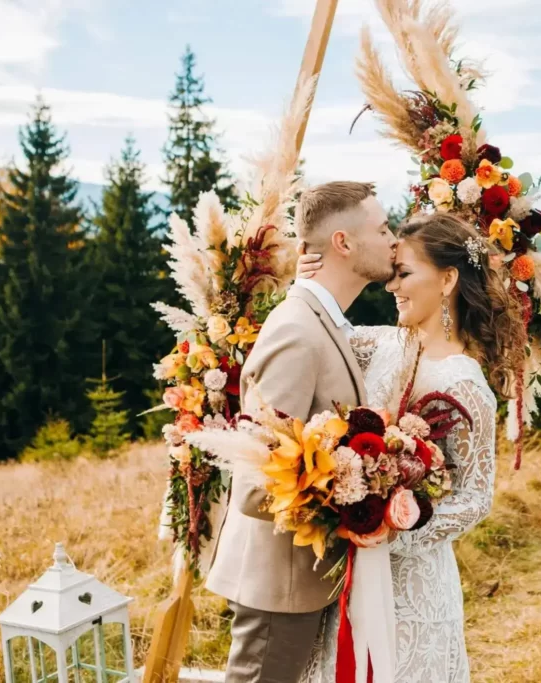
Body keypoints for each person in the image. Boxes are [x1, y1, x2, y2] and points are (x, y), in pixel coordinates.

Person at [297, 212, 527, 683]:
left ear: (447, 279)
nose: (391, 287)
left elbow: (474, 498)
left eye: (403, 274)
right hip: (348, 573)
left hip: (413, 587)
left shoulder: (465, 384)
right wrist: (304, 284)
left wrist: (398, 527)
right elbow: (319, 333)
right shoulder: (382, 345)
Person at [205, 181, 397, 683]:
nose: (392, 239)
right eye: (382, 228)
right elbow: (254, 485)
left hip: (304, 583)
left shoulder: (324, 322)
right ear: (343, 242)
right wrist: (352, 494)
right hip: (278, 587)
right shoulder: (297, 332)